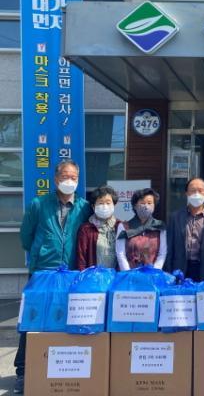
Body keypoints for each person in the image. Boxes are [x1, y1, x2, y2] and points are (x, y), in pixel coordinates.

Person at [16, 159, 91, 394]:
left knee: (65, 319)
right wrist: (42, 252)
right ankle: (23, 372)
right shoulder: (39, 204)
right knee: (32, 320)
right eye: (65, 176)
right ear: (56, 179)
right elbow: (26, 236)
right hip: (43, 272)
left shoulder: (84, 207)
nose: (70, 181)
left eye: (74, 177)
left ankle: (59, 370)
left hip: (72, 272)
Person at [165, 178, 204, 281]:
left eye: (200, 190)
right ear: (186, 193)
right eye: (193, 190)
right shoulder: (175, 217)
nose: (196, 194)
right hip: (180, 269)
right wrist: (168, 271)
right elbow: (170, 247)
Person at [116, 188, 167, 270]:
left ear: (154, 205)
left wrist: (154, 272)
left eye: (149, 203)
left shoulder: (159, 226)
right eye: (142, 203)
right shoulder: (123, 226)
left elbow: (162, 253)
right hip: (129, 274)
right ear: (135, 205)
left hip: (152, 274)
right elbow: (120, 254)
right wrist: (129, 273)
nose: (146, 206)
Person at [76, 185, 120, 270]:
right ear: (93, 206)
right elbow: (81, 258)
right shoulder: (85, 229)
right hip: (93, 276)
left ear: (114, 205)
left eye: (108, 203)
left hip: (115, 276)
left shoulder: (119, 226)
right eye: (100, 203)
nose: (105, 206)